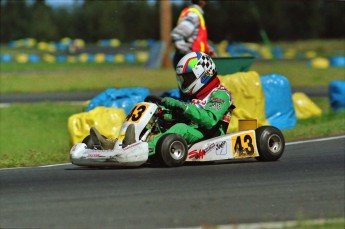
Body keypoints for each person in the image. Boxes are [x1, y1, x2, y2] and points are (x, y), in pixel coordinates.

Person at [148, 51, 234, 153]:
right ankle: (132, 143)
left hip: (209, 135)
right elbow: (183, 116)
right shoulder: (196, 95)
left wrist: (183, 106)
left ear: (204, 73)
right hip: (192, 129)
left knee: (180, 128)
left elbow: (210, 120)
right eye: (183, 79)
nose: (185, 82)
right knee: (155, 119)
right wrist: (161, 112)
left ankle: (147, 149)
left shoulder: (220, 94)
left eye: (188, 77)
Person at [171, 0, 217, 69]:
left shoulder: (195, 13)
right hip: (192, 63)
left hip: (195, 60)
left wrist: (209, 50)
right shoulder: (193, 15)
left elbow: (197, 39)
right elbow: (177, 34)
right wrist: (189, 55)